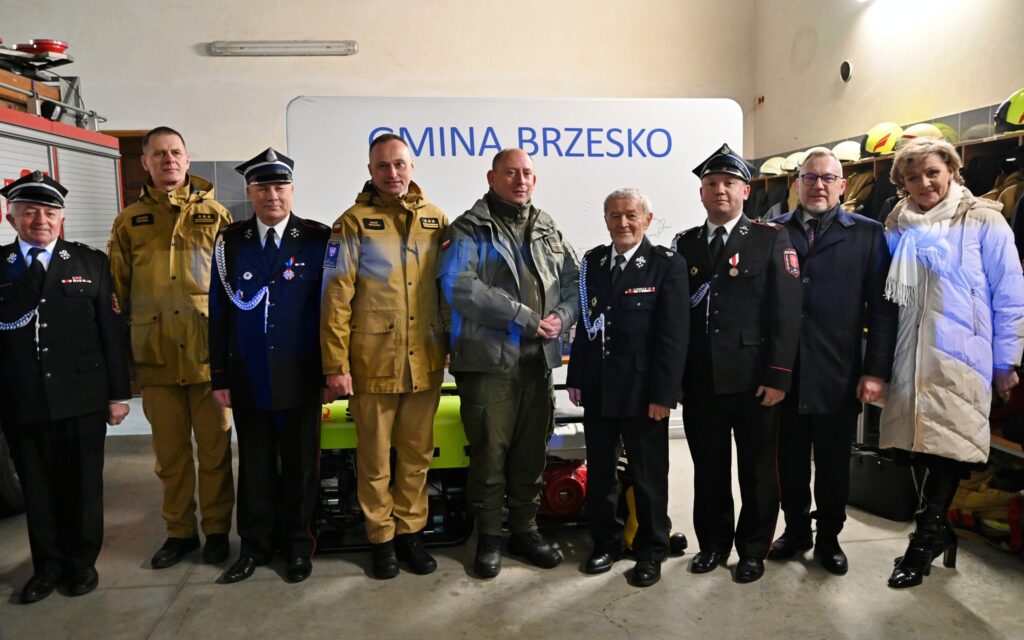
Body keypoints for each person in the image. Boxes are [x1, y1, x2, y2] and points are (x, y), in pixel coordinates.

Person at [880, 137, 1024, 589]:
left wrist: (1006, 360)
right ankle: (938, 528)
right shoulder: (896, 222)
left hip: (964, 353)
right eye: (913, 177)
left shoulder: (984, 220)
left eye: (932, 173)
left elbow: (1010, 294)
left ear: (953, 172)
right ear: (902, 183)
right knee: (918, 446)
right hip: (910, 352)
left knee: (949, 449)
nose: (924, 183)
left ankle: (924, 541)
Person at [437, 148, 579, 578]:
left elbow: (575, 281)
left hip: (537, 363)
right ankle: (490, 536)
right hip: (488, 366)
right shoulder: (469, 228)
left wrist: (563, 317)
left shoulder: (547, 226)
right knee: (489, 453)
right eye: (511, 173)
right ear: (491, 177)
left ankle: (525, 529)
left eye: (527, 174)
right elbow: (460, 286)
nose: (521, 181)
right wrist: (524, 318)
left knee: (531, 452)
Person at [672, 143, 802, 584]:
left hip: (753, 381)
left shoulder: (770, 238)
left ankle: (752, 550)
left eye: (729, 183)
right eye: (711, 184)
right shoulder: (686, 244)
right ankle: (713, 545)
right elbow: (678, 318)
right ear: (701, 193)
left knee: (757, 472)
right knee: (708, 470)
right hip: (701, 381)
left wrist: (778, 376)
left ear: (746, 191)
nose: (720, 191)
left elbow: (786, 312)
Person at [321, 134, 449, 579]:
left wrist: (453, 347)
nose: (392, 173)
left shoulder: (436, 220)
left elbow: (448, 289)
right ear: (370, 170)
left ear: (412, 166)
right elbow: (335, 297)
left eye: (399, 164)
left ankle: (411, 534)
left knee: (416, 456)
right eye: (383, 166)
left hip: (424, 361)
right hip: (372, 362)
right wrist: (335, 365)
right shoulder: (351, 224)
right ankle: (381, 539)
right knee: (374, 461)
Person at [0, 172, 131, 603]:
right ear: (11, 217)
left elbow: (111, 333)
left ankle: (81, 563)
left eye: (49, 212)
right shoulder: (1, 265)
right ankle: (47, 567)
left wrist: (118, 395)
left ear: (62, 218)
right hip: (21, 398)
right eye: (29, 212)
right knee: (37, 487)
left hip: (82, 397)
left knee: (84, 485)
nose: (40, 220)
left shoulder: (89, 263)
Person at [766, 148, 898, 574]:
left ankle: (829, 537)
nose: (818, 185)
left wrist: (875, 371)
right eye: (810, 177)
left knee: (833, 464)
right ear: (797, 184)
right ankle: (796, 530)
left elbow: (882, 309)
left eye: (827, 178)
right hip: (784, 374)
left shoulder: (868, 233)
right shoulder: (772, 232)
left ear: (842, 185)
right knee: (788, 461)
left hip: (838, 372)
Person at [107, 127, 234, 569]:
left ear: (187, 159)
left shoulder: (217, 216)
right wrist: (123, 365)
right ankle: (180, 533)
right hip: (156, 358)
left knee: (215, 453)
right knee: (171, 458)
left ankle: (216, 531)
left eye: (176, 152)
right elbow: (118, 294)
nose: (169, 160)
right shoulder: (129, 222)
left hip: (207, 358)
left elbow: (233, 290)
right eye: (159, 154)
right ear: (144, 162)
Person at [209, 148, 330, 584]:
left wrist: (331, 372)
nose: (272, 195)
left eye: (280, 186)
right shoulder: (230, 242)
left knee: (301, 467)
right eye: (262, 187)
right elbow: (219, 311)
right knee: (255, 466)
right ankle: (254, 547)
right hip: (249, 375)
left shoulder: (318, 239)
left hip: (301, 374)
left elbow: (331, 311)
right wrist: (219, 377)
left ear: (292, 190)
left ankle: (298, 547)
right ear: (250, 192)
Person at [566, 188, 688, 587]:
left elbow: (673, 337)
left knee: (648, 476)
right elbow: (586, 327)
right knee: (602, 474)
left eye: (631, 215)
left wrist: (664, 395)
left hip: (643, 392)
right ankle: (607, 542)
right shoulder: (593, 262)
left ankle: (651, 549)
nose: (623, 223)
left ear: (647, 220)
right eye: (615, 216)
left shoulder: (666, 265)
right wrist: (577, 377)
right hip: (600, 388)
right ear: (605, 220)